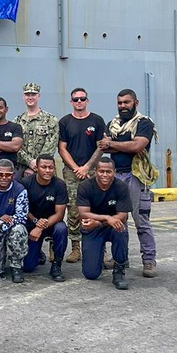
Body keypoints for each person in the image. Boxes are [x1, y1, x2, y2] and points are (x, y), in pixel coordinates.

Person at [98, 89, 158, 277]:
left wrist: (112, 145)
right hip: (116, 177)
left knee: (141, 221)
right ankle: (119, 258)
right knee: (117, 221)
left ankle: (149, 261)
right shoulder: (112, 124)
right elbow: (103, 147)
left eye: (126, 102)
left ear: (136, 103)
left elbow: (138, 146)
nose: (123, 106)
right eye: (120, 103)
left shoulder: (144, 123)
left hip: (136, 177)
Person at [57, 87, 106, 265]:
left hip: (93, 171)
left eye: (82, 99)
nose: (79, 102)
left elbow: (101, 146)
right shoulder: (65, 122)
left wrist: (87, 167)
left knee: (97, 208)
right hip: (72, 173)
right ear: (71, 102)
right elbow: (62, 148)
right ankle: (76, 247)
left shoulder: (97, 120)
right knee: (74, 210)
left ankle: (99, 246)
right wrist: (77, 168)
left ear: (87, 100)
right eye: (76, 99)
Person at [78, 157, 130, 290]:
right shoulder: (85, 186)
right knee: (91, 274)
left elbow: (123, 216)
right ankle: (97, 257)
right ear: (95, 171)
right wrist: (107, 218)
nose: (105, 175)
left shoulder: (121, 187)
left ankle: (119, 270)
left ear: (115, 172)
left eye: (108, 171)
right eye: (101, 171)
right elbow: (84, 213)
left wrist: (100, 223)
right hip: (92, 228)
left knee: (121, 229)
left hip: (111, 227)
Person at [21, 156, 69, 282]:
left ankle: (57, 265)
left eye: (51, 168)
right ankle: (37, 254)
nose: (48, 170)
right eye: (44, 167)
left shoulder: (60, 185)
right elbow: (23, 209)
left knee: (62, 228)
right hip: (32, 223)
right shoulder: (26, 183)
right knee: (28, 267)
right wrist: (36, 223)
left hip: (51, 223)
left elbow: (59, 214)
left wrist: (40, 227)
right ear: (36, 168)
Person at [14, 83, 59, 182]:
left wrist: (37, 166)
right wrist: (30, 162)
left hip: (45, 171)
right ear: (23, 97)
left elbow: (51, 145)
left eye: (33, 94)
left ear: (39, 96)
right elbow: (14, 146)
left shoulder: (50, 119)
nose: (30, 97)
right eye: (27, 94)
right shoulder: (17, 121)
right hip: (22, 170)